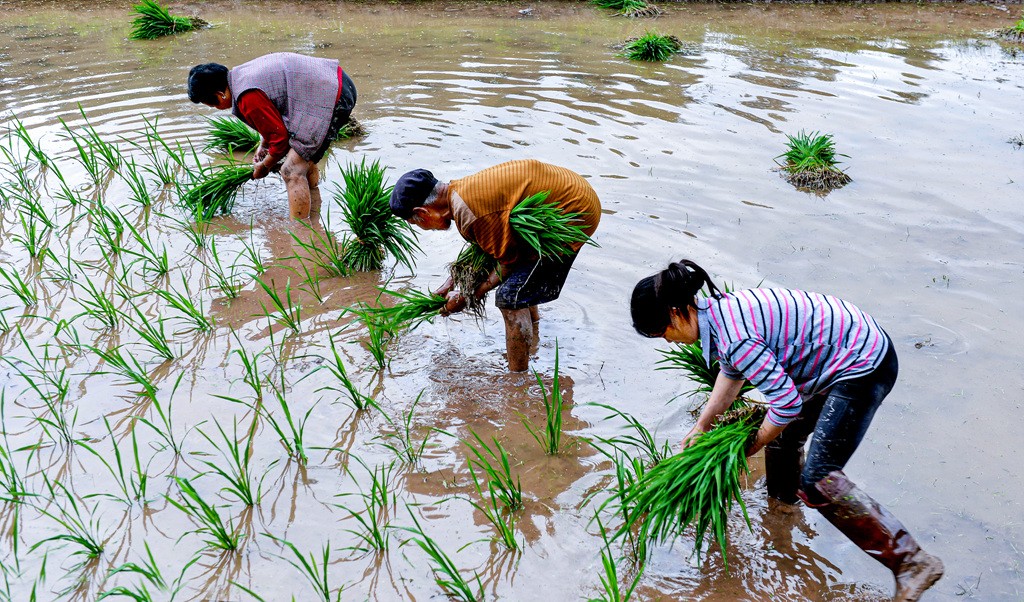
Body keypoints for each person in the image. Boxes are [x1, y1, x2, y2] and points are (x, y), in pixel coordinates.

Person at [629, 260, 944, 602]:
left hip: (863, 365)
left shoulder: (735, 337)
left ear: (676, 314)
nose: (669, 341)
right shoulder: (720, 315)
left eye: (663, 333)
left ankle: (912, 562)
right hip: (842, 352)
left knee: (818, 479)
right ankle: (782, 512)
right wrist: (702, 425)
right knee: (784, 441)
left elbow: (787, 404)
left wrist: (751, 444)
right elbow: (732, 374)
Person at [389, 159, 600, 372]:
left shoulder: (470, 213)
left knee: (509, 297)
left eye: (415, 222)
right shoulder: (460, 192)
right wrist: (450, 283)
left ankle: (518, 377)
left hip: (574, 213)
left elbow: (507, 263)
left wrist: (469, 297)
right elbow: (488, 245)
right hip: (573, 190)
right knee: (520, 285)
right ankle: (533, 335)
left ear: (423, 213)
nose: (424, 228)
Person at [186, 52, 357, 219]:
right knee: (302, 156)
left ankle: (301, 235)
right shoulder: (240, 77)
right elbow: (274, 116)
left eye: (209, 103)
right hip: (336, 82)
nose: (213, 107)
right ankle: (314, 212)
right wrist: (264, 144)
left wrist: (265, 166)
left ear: (219, 95)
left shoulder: (247, 96)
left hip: (331, 96)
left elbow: (281, 139)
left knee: (291, 170)